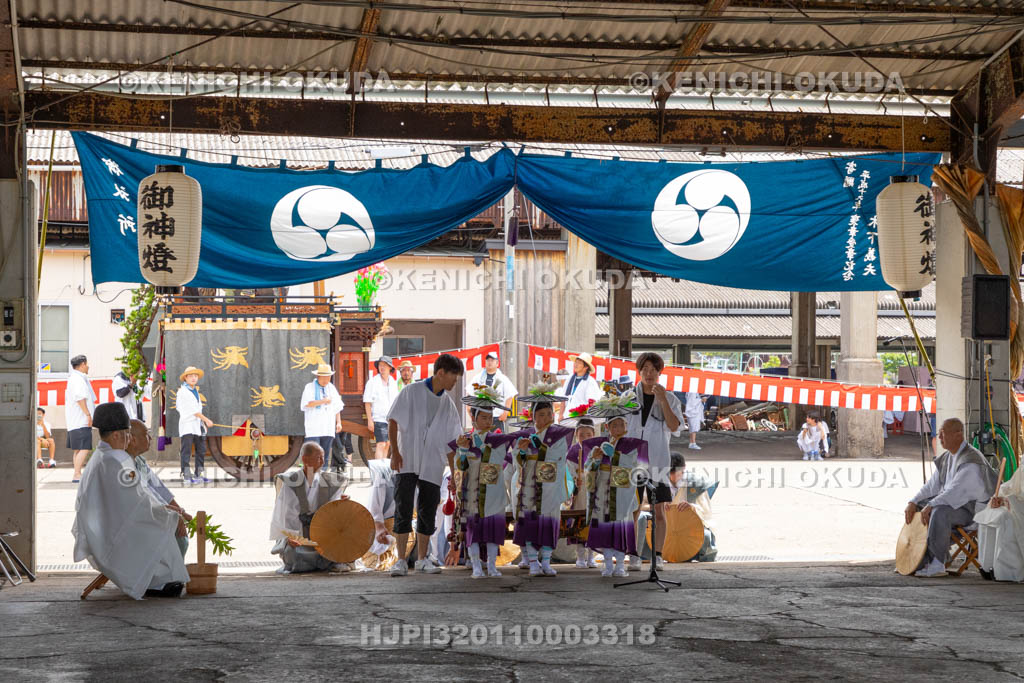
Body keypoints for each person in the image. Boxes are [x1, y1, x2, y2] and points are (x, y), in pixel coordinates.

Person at [71, 402, 189, 599]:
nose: (129, 439)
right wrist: (168, 514)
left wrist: (167, 509)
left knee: (167, 520)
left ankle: (160, 580)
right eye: (127, 434)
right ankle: (155, 583)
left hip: (105, 526)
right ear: (117, 435)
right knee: (166, 528)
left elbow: (139, 497)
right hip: (111, 534)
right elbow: (138, 505)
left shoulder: (105, 456)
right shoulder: (115, 461)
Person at [387, 353, 464, 577]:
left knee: (427, 509)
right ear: (441, 373)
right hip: (407, 458)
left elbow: (452, 443)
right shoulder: (411, 392)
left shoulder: (448, 404)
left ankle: (422, 559)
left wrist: (454, 476)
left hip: (433, 462)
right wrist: (395, 452)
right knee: (402, 507)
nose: (454, 382)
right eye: (454, 377)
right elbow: (392, 420)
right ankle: (401, 560)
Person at [904, 418, 999, 578]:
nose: (939, 437)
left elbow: (956, 492)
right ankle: (916, 560)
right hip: (956, 506)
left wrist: (932, 505)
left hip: (973, 512)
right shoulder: (948, 457)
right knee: (918, 506)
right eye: (939, 433)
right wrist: (913, 502)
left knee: (939, 511)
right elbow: (932, 486)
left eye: (943, 433)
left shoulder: (971, 460)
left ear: (958, 434)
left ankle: (937, 563)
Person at [450, 401, 522, 578]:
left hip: (493, 492)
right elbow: (459, 466)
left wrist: (480, 447)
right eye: (484, 417)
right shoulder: (464, 439)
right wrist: (464, 450)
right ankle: (475, 565)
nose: (488, 421)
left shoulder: (498, 440)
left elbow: (497, 461)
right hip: (472, 491)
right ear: (473, 418)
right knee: (473, 532)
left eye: (490, 417)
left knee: (492, 532)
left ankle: (491, 566)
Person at [625, 352, 682, 571]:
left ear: (659, 373)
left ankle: (657, 557)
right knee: (633, 509)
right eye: (645, 369)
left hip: (658, 460)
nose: (649, 374)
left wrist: (663, 400)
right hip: (634, 461)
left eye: (653, 370)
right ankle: (633, 556)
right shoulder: (629, 397)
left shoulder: (671, 398)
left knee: (659, 510)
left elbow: (675, 427)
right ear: (639, 372)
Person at [581, 395, 648, 578]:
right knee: (605, 532)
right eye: (614, 425)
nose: (618, 428)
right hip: (603, 493)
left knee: (619, 530)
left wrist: (615, 456)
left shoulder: (632, 445)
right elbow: (588, 470)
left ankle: (620, 566)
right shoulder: (599, 446)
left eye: (621, 424)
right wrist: (594, 460)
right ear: (607, 428)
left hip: (621, 495)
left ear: (626, 426)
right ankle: (608, 566)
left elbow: (638, 468)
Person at [511, 386, 574, 577]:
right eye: (541, 414)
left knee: (548, 524)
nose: (546, 418)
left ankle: (546, 562)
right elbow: (517, 460)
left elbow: (558, 456)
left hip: (550, 487)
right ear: (533, 417)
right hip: (530, 487)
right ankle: (532, 563)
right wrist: (521, 451)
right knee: (530, 525)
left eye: (548, 414)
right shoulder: (524, 436)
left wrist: (540, 447)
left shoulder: (559, 435)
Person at [269, 442, 350, 573]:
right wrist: (291, 537)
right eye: (319, 458)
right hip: (299, 533)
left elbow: (332, 510)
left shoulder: (329, 481)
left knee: (341, 545)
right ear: (305, 460)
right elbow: (287, 514)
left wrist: (341, 502)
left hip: (322, 532)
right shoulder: (291, 482)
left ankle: (330, 561)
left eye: (324, 457)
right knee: (293, 554)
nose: (323, 461)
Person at [126, 419, 191, 559]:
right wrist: (170, 513)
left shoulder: (139, 461)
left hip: (153, 513)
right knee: (176, 534)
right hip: (139, 521)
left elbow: (159, 489)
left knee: (179, 531)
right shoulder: (125, 467)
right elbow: (142, 501)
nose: (150, 438)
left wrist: (180, 511)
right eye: (146, 434)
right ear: (133, 440)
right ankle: (166, 578)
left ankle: (170, 576)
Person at [975, 463, 1024, 582]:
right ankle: (987, 566)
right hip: (1016, 506)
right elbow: (1012, 485)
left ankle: (1007, 571)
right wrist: (998, 498)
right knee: (991, 515)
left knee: (1004, 517)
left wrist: (1008, 500)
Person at [666, 452, 718, 562]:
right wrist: (658, 506)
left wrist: (692, 507)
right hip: (665, 528)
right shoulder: (659, 481)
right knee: (642, 519)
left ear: (684, 468)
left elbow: (706, 513)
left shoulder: (695, 482)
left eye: (677, 473)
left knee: (706, 536)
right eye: (670, 473)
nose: (673, 477)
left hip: (689, 528)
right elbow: (642, 505)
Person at [566, 417, 599, 568]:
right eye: (581, 435)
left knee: (593, 522)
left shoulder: (598, 451)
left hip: (595, 490)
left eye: (588, 435)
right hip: (580, 492)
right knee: (580, 522)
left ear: (594, 434)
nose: (585, 438)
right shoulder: (573, 452)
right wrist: (574, 481)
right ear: (576, 435)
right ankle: (580, 556)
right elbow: (568, 472)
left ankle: (592, 555)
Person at [300, 363, 345, 471]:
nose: (326, 379)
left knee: (324, 455)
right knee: (313, 454)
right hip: (314, 428)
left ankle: (322, 477)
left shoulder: (331, 388)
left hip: (328, 427)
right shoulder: (309, 387)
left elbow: (337, 406)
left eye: (328, 377)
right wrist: (323, 401)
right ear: (318, 376)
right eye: (324, 377)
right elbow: (306, 404)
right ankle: (311, 477)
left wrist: (338, 422)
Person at [177, 366, 213, 484]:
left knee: (201, 450)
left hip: (197, 424)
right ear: (185, 378)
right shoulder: (183, 392)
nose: (193, 378)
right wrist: (206, 420)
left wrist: (203, 423)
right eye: (191, 376)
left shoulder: (195, 390)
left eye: (195, 376)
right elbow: (193, 410)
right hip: (187, 424)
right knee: (186, 450)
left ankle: (199, 473)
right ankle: (186, 474)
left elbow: (198, 409)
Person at [467, 350, 518, 432]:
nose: (489, 362)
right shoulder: (477, 377)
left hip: (497, 417)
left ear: (497, 363)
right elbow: (469, 393)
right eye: (488, 360)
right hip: (480, 417)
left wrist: (505, 413)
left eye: (492, 360)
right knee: (481, 442)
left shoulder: (502, 378)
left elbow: (510, 395)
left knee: (498, 442)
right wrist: (469, 410)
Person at [66, 354, 96, 483]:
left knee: (78, 448)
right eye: (87, 364)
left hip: (75, 420)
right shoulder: (77, 379)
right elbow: (80, 398)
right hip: (81, 419)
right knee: (84, 447)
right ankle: (77, 474)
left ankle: (77, 473)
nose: (88, 366)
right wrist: (88, 415)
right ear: (83, 364)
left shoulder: (75, 378)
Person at [364, 356, 399, 460]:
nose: (382, 367)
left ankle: (383, 470)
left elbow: (396, 401)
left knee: (388, 444)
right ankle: (378, 472)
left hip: (392, 419)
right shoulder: (373, 382)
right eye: (380, 365)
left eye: (384, 365)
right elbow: (367, 402)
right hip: (379, 418)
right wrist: (370, 420)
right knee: (381, 444)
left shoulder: (393, 381)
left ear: (390, 367)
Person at [556, 352, 602, 421]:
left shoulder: (590, 382)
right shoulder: (570, 378)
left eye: (579, 363)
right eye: (576, 362)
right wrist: (560, 414)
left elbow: (592, 402)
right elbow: (564, 398)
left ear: (586, 367)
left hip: (582, 418)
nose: (576, 365)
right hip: (567, 416)